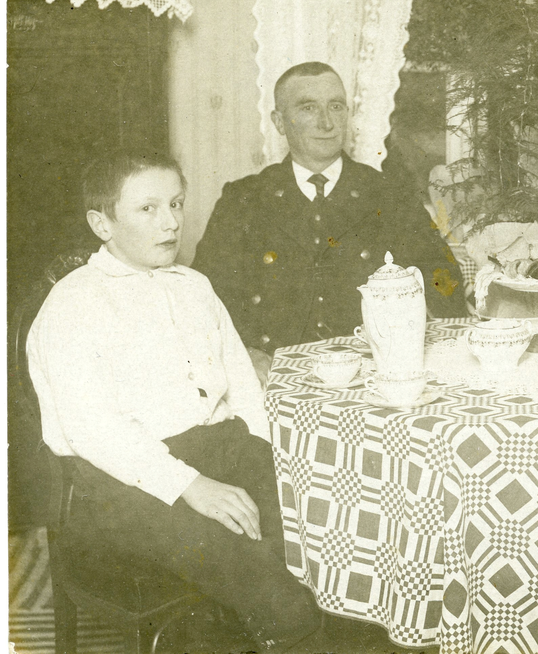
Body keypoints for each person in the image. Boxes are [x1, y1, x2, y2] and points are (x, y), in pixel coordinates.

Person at [27, 154, 322, 651]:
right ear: (102, 224)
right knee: (265, 583)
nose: (170, 222)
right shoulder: (73, 304)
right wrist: (191, 485)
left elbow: (242, 387)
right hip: (124, 483)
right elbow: (93, 429)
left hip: (220, 447)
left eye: (176, 204)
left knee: (322, 523)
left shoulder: (194, 286)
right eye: (148, 208)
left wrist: (268, 460)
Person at [192, 61, 467, 383]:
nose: (326, 123)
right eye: (308, 108)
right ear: (279, 122)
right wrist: (242, 351)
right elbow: (205, 295)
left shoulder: (389, 194)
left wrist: (433, 344)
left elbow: (442, 275)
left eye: (335, 106)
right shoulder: (244, 199)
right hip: (275, 372)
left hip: (371, 371)